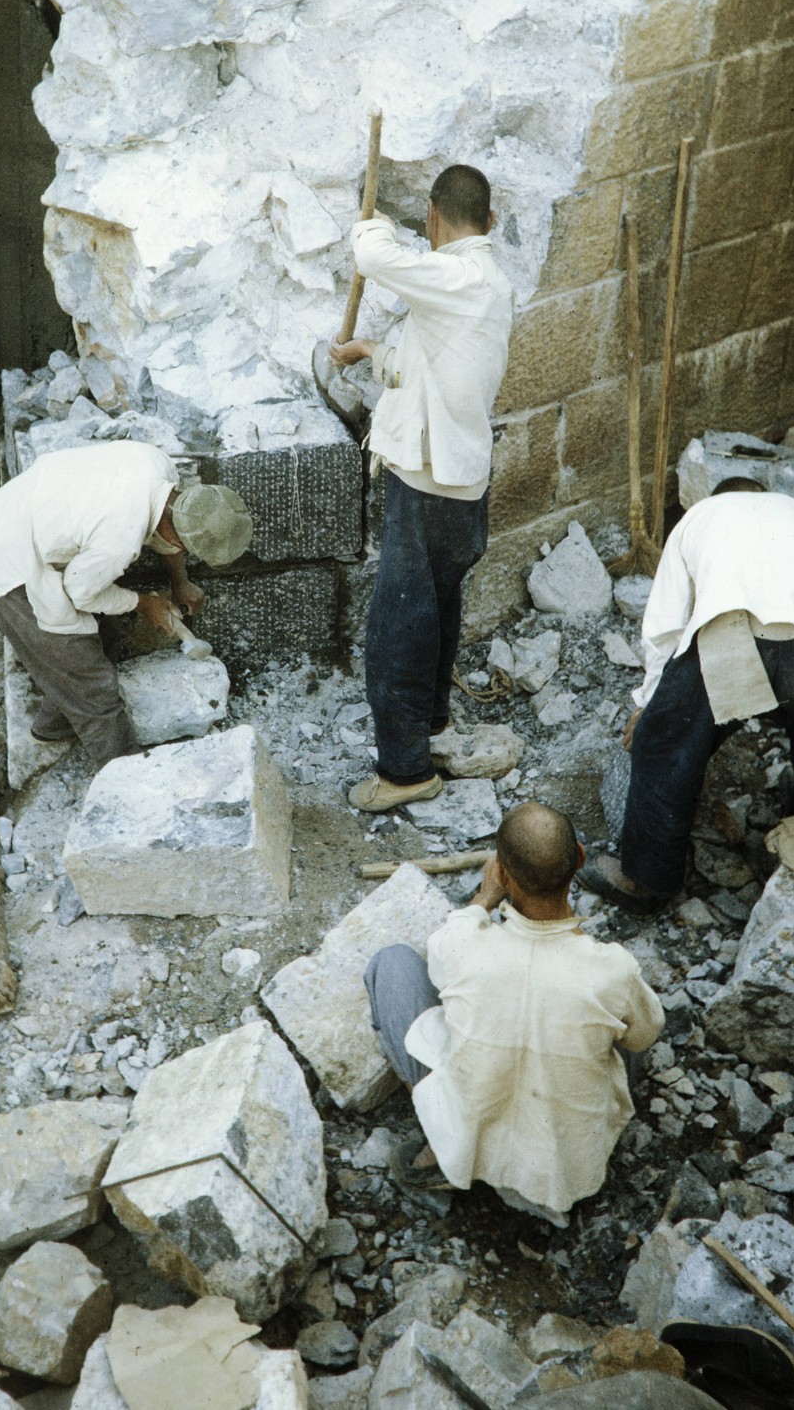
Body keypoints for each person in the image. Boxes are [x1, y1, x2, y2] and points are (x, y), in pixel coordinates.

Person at [581, 482, 794, 918]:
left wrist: (649, 703)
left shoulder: (696, 519)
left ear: (714, 497)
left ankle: (646, 883)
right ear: (761, 493)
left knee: (666, 741)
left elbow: (665, 625)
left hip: (737, 636)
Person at [363, 802, 664, 1225]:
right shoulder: (613, 969)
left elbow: (450, 942)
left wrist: (483, 900)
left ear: (502, 874)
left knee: (391, 964)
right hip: (563, 1171)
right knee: (629, 1027)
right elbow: (645, 1036)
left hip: (467, 1140)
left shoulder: (462, 945)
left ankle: (446, 1151)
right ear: (579, 858)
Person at [330, 164, 513, 812]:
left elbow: (372, 254)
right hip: (458, 483)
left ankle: (405, 773)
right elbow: (431, 365)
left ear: (434, 216)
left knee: (398, 625)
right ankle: (431, 727)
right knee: (435, 609)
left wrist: (371, 221)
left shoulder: (459, 273)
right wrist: (369, 352)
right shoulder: (478, 285)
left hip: (429, 484)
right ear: (489, 220)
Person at [0, 440, 253, 767]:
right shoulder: (120, 540)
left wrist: (180, 581)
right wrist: (146, 603)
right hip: (13, 561)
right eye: (188, 549)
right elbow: (81, 593)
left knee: (100, 640)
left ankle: (54, 724)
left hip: (25, 509)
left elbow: (173, 532)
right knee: (94, 684)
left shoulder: (161, 469)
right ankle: (125, 780)